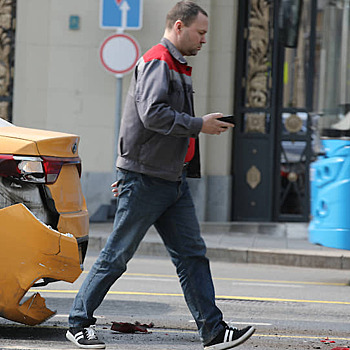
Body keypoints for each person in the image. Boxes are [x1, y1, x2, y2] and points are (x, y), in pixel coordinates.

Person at [66, 1, 255, 349]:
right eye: (200, 33)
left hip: (171, 180)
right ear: (179, 27)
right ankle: (78, 322)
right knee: (116, 255)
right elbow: (152, 114)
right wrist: (200, 125)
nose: (203, 40)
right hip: (148, 180)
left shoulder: (178, 65)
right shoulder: (158, 60)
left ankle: (213, 331)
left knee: (192, 255)